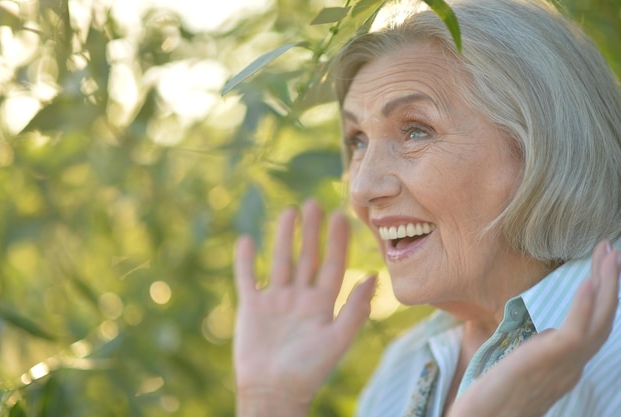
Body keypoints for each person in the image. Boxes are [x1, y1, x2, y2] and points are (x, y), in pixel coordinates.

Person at [233, 0, 621, 416]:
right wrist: (272, 400)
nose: (362, 187)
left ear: (541, 144)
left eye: (416, 131)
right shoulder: (404, 368)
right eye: (358, 140)